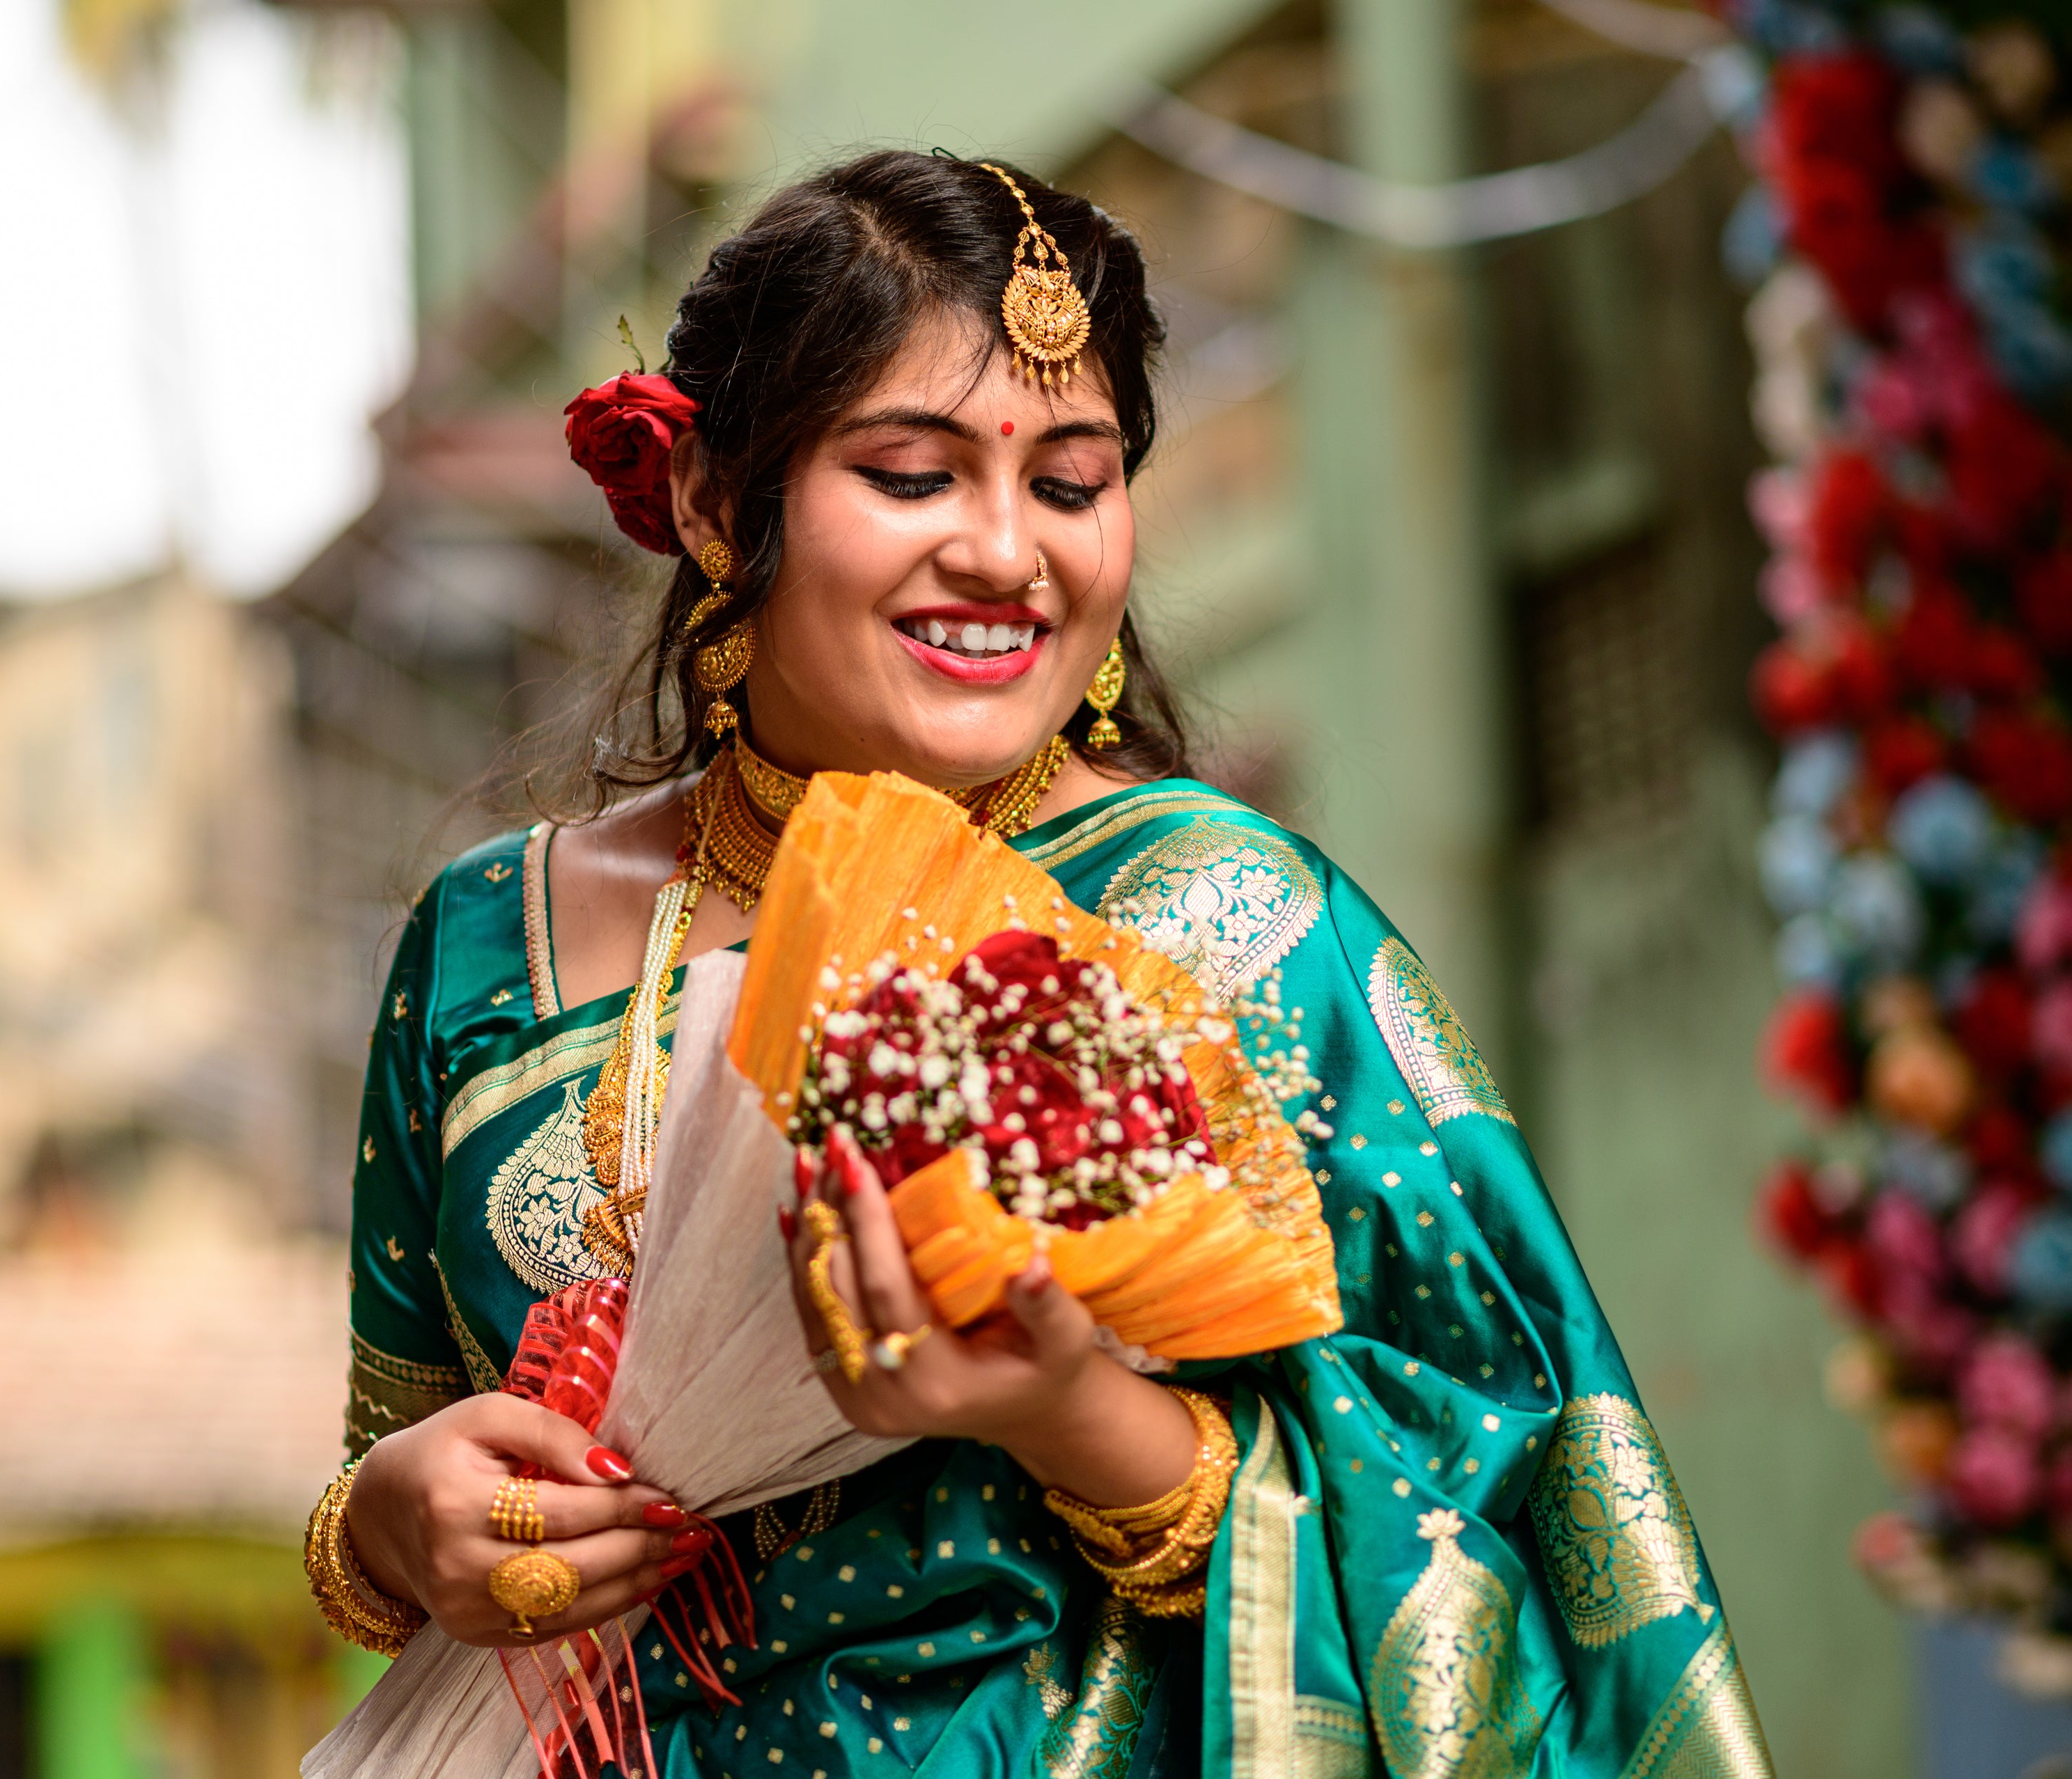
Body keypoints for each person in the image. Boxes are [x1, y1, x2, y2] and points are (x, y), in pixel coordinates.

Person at [308, 148, 1769, 1778]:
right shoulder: (484, 943)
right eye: (917, 476)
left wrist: (1068, 1409)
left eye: (1069, 484)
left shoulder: (1239, 928)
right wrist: (382, 1529)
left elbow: (1505, 1526)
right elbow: (410, 1473)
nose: (1011, 554)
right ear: (722, 504)